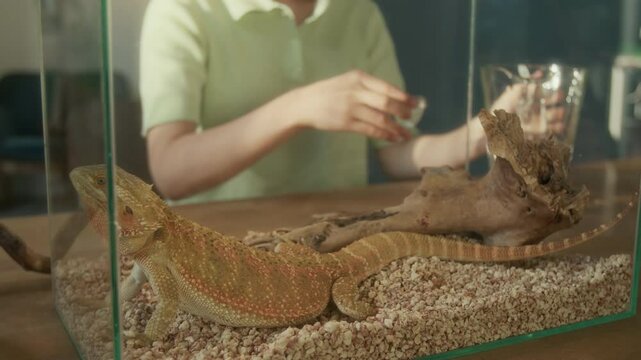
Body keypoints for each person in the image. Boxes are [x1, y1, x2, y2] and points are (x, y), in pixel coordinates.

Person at [139, 0, 509, 204]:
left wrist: (490, 130)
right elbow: (171, 172)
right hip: (219, 244)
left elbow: (397, 152)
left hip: (338, 237)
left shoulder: (358, 11)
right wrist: (297, 108)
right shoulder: (181, 10)